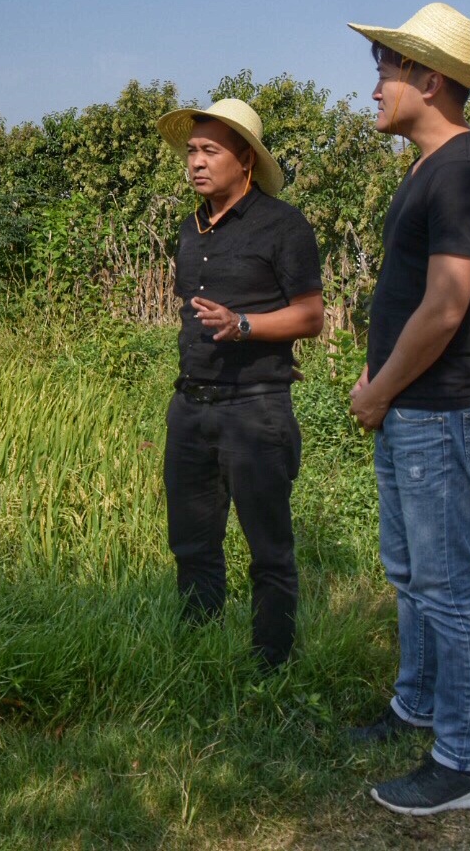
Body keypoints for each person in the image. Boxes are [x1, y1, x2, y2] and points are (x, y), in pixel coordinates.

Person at [344, 3, 470, 815]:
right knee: (412, 575)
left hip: (438, 411)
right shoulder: (427, 168)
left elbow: (445, 308)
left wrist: (377, 389)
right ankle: (415, 704)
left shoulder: (460, 172)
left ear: (427, 80)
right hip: (412, 409)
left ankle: (461, 763)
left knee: (447, 587)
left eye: (384, 71)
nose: (373, 87)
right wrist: (378, 379)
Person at [154, 98, 323, 671]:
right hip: (191, 406)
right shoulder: (189, 228)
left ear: (245, 160)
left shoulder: (283, 225)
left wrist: (244, 325)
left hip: (255, 412)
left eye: (210, 151)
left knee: (269, 552)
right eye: (191, 151)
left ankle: (270, 666)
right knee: (192, 545)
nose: (196, 162)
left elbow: (310, 316)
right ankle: (198, 653)